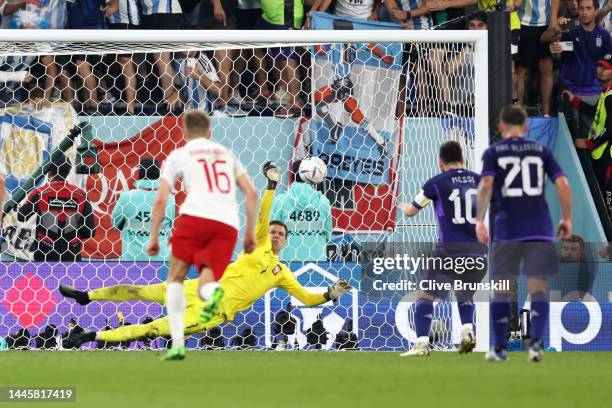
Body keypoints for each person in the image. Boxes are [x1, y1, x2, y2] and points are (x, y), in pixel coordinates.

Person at [60, 162, 352, 350]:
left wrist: (330, 293)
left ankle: (88, 337)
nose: (274, 235)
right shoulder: (259, 245)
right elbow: (263, 217)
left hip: (212, 311)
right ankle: (87, 296)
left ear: (286, 241)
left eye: (280, 234)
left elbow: (308, 298)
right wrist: (271, 186)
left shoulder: (283, 274)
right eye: (273, 232)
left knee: (154, 329)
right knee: (141, 291)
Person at [146, 110, 257, 360]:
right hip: (226, 224)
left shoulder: (179, 154)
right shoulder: (227, 155)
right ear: (210, 133)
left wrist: (154, 236)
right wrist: (250, 233)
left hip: (195, 219)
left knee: (175, 279)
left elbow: (162, 198)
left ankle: (176, 343)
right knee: (207, 278)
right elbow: (251, 194)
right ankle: (212, 294)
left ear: (185, 133)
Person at [475, 105, 572, 362]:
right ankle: (537, 344)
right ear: (526, 128)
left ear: (500, 127)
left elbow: (485, 185)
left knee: (502, 288)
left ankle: (499, 348)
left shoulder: (494, 152)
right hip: (539, 228)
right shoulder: (541, 151)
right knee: (538, 287)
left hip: (508, 230)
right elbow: (562, 182)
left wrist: (479, 220)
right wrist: (567, 218)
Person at [398, 141, 486, 356]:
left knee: (426, 296)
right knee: (464, 295)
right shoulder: (479, 180)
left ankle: (420, 345)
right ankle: (467, 332)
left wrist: (403, 207)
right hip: (478, 250)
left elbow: (411, 211)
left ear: (440, 162)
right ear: (462, 160)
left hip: (449, 250)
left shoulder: (436, 183)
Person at [17, 154, 96, 262]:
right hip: (71, 255)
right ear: (68, 171)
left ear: (48, 171)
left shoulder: (39, 193)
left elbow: (21, 216)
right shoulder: (81, 195)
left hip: (44, 256)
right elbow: (90, 231)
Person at [564, 54, 612, 215]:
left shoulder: (610, 97)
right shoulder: (605, 93)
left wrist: (588, 143)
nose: (600, 71)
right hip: (600, 155)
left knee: (608, 201)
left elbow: (611, 129)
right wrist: (574, 101)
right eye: (600, 67)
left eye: (606, 68)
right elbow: (594, 111)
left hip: (607, 157)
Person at [543, 0, 611, 106]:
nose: (584, 12)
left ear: (596, 11)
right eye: (581, 8)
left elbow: (608, 66)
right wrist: (555, 32)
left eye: (588, 8)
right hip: (568, 92)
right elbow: (546, 40)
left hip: (595, 94)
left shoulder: (604, 35)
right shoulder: (569, 26)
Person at [111, 157, 175, 261]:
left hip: (133, 258)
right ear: (159, 174)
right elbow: (170, 225)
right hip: (162, 258)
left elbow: (115, 223)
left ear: (140, 173)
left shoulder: (127, 197)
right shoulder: (169, 198)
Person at [271, 159, 332, 262]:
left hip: (286, 264)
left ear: (292, 175)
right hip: (317, 262)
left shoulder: (280, 201)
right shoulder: (323, 202)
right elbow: (328, 234)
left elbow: (270, 234)